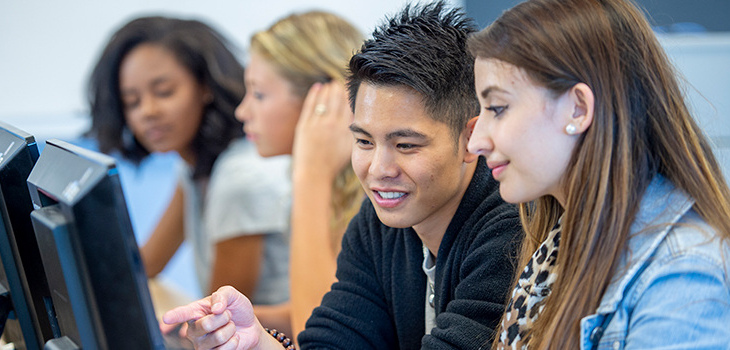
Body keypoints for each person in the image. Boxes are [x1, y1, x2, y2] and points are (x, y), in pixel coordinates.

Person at [162, 3, 523, 349]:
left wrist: (311, 175)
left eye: (406, 145)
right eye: (364, 141)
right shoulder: (377, 224)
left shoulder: (509, 230)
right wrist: (256, 341)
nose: (379, 170)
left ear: (471, 138)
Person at [464, 0, 730, 348]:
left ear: (578, 108)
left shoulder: (683, 276)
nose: (475, 141)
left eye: (498, 109)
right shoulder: (559, 238)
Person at [86, 16, 292, 306]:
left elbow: (218, 314)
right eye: (132, 101)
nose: (147, 111)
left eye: (164, 92)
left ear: (205, 85)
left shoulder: (239, 179)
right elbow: (147, 264)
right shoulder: (194, 167)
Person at [232, 11, 366, 335]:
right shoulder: (336, 188)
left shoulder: (371, 195)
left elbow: (321, 331)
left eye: (259, 94)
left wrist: (311, 174)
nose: (242, 111)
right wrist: (233, 317)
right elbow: (320, 304)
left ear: (322, 100)